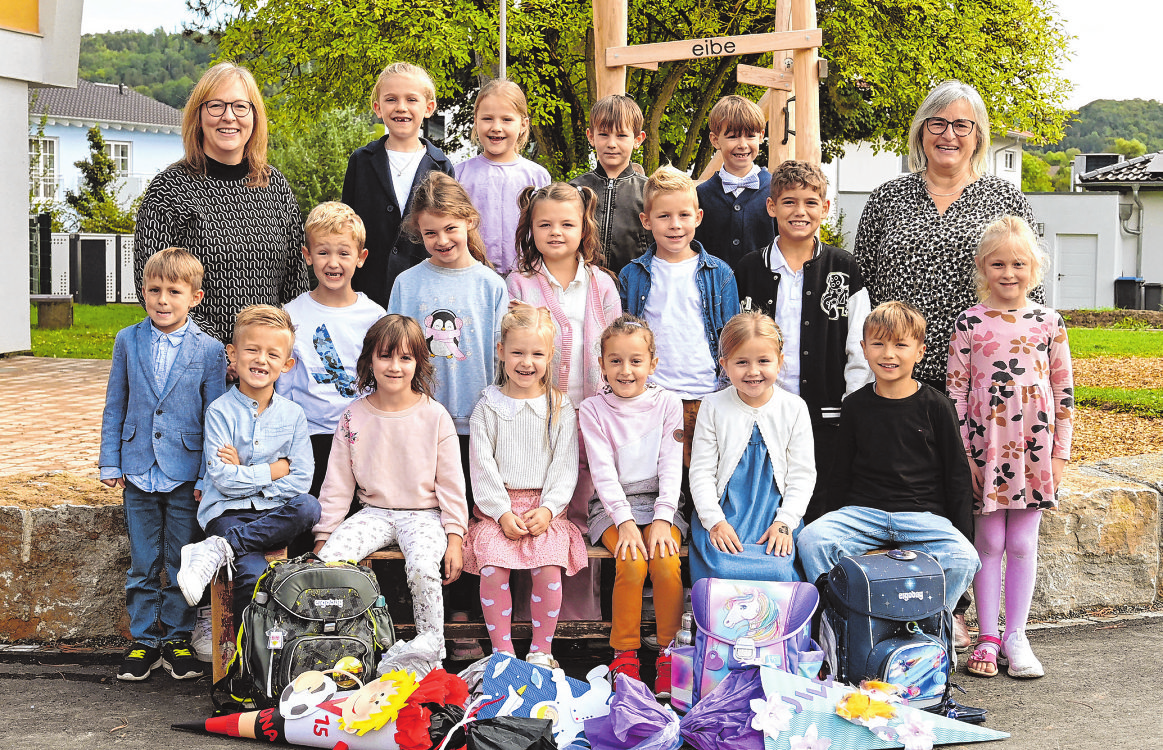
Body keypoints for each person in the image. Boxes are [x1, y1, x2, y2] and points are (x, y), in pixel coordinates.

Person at [852, 79, 1038, 648]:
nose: (949, 134)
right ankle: (892, 601)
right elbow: (861, 283)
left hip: (976, 383)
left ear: (978, 135)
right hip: (895, 370)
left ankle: (954, 609)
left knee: (959, 490)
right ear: (921, 131)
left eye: (962, 125)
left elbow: (1025, 287)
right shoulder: (887, 197)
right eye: (938, 122)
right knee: (894, 487)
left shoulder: (1005, 202)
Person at [947, 216, 1074, 679]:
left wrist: (1060, 455)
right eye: (998, 264)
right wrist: (966, 455)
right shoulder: (970, 323)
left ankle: (1017, 635)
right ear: (982, 267)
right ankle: (987, 635)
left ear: (1034, 267)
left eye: (1018, 263)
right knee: (989, 541)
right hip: (986, 451)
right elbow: (956, 394)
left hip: (1034, 452)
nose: (1008, 273)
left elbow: (1064, 394)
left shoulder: (1049, 322)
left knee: (1021, 542)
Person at [798, 301, 980, 613]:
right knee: (812, 539)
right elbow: (839, 472)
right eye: (878, 344)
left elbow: (957, 477)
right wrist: (832, 516)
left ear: (920, 351)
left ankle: (931, 620)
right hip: (863, 515)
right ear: (863, 349)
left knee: (964, 558)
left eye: (900, 345)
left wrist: (959, 534)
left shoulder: (937, 406)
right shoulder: (855, 406)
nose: (888, 354)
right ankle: (842, 619)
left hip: (921, 518)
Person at [99, 247, 227, 682]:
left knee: (178, 560)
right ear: (143, 292)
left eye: (174, 291)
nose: (163, 300)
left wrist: (209, 476)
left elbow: (214, 415)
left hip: (185, 472)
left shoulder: (209, 350)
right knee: (142, 559)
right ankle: (143, 640)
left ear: (195, 296)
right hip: (136, 468)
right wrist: (109, 461)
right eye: (154, 290)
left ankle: (175, 637)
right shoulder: (127, 340)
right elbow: (115, 404)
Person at [312, 315, 469, 668]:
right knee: (329, 564)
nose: (394, 366)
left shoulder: (435, 416)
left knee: (423, 570)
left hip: (423, 515)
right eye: (385, 356)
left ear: (418, 362)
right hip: (374, 513)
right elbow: (338, 482)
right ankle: (335, 651)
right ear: (370, 360)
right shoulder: (354, 416)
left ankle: (431, 655)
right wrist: (324, 535)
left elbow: (451, 483)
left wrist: (455, 536)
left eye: (405, 358)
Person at [506, 182, 623, 622]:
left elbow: (613, 347)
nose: (556, 232)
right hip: (535, 416)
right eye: (545, 224)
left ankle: (579, 615)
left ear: (583, 228)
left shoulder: (601, 285)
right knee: (535, 505)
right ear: (531, 229)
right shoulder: (519, 283)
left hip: (589, 411)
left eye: (567, 224)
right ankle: (526, 616)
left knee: (581, 505)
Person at [134, 62, 309, 345]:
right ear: (199, 116)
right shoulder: (168, 191)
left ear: (254, 116)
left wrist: (273, 350)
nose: (229, 116)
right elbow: (153, 287)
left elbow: (295, 286)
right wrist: (219, 350)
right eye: (216, 106)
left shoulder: (275, 187)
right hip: (193, 361)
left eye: (241, 106)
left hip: (264, 364)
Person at [735, 160, 871, 521]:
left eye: (811, 202)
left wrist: (852, 405)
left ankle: (817, 579)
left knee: (818, 504)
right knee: (765, 502)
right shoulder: (749, 269)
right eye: (789, 202)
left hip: (826, 415)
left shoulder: (844, 268)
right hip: (762, 410)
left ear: (825, 208)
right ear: (771, 207)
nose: (800, 211)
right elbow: (733, 341)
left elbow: (859, 346)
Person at [175, 306, 321, 626]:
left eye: (272, 354)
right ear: (233, 354)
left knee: (309, 507)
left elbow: (301, 480)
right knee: (253, 575)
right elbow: (224, 481)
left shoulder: (293, 415)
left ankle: (220, 549)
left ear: (287, 364)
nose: (261, 360)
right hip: (228, 513)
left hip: (275, 515)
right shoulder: (219, 412)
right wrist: (272, 470)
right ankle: (247, 663)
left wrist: (245, 471)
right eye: (252, 350)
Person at [463, 305, 587, 669]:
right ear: (500, 351)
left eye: (537, 354)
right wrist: (500, 512)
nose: (526, 362)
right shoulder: (487, 408)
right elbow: (482, 467)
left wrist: (549, 508)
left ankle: (541, 651)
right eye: (517, 352)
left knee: (548, 570)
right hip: (497, 510)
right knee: (492, 570)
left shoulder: (560, 407)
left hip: (545, 509)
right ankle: (502, 652)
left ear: (550, 356)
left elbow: (565, 466)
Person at [580, 314, 686, 697]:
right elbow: (603, 471)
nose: (626, 370)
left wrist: (663, 518)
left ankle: (671, 653)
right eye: (615, 360)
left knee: (664, 559)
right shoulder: (593, 410)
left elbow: (671, 465)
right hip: (610, 506)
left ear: (652, 364)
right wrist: (623, 521)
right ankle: (624, 654)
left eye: (636, 360)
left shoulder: (667, 404)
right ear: (602, 364)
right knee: (632, 561)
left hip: (661, 502)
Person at [619, 165, 739, 472]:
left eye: (684, 215)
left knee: (704, 479)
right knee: (658, 479)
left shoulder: (720, 274)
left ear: (698, 217)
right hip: (653, 397)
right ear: (646, 220)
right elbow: (625, 339)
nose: (675, 225)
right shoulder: (633, 275)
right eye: (664, 216)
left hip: (706, 395)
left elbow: (733, 341)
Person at [687, 312, 813, 584]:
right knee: (722, 568)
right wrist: (714, 521)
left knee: (778, 569)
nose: (753, 371)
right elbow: (701, 472)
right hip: (726, 511)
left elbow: (803, 475)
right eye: (741, 362)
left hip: (774, 511)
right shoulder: (713, 406)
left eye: (764, 361)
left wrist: (785, 523)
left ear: (779, 362)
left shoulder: (794, 408)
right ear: (724, 364)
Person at [278, 202, 385, 497]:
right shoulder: (291, 314)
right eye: (323, 252)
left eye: (343, 253)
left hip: (361, 434)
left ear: (360, 257)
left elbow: (382, 378)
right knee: (308, 515)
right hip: (308, 436)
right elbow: (283, 382)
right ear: (307, 255)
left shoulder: (374, 316)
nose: (333, 263)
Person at [343, 62, 456, 306]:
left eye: (411, 100)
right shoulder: (361, 161)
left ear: (429, 108)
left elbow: (449, 229)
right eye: (391, 99)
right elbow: (347, 227)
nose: (401, 107)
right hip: (367, 290)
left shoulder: (442, 165)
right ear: (378, 107)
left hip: (425, 292)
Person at [455, 79, 552, 275]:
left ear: (523, 124)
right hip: (471, 274)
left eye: (506, 120)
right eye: (487, 119)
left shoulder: (537, 176)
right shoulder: (460, 174)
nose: (496, 127)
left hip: (526, 276)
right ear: (476, 120)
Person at [570, 94, 649, 274]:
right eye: (603, 135)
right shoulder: (575, 190)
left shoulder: (649, 192)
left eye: (621, 135)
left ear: (637, 139)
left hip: (633, 288)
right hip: (583, 287)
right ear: (591, 137)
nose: (611, 143)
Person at [694, 95, 775, 268]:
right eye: (732, 137)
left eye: (750, 136)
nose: (742, 145)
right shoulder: (702, 195)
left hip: (765, 290)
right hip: (716, 291)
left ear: (761, 136)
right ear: (715, 140)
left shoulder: (776, 190)